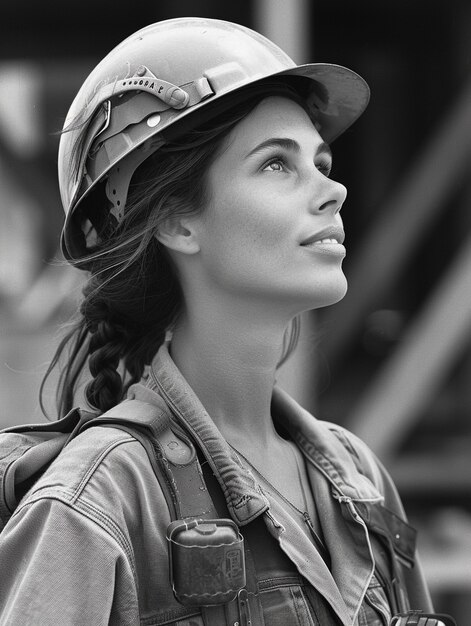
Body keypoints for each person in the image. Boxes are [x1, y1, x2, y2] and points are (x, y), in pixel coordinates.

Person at [0, 17, 434, 626]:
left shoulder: (359, 481)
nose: (332, 189)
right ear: (177, 222)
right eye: (277, 165)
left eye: (321, 160)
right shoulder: (97, 502)